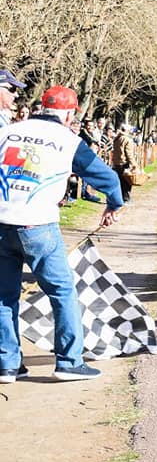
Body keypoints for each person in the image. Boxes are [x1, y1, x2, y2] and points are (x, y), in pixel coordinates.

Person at [0, 86, 123, 383]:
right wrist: (114, 204)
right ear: (70, 114)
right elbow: (107, 177)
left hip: (1, 222)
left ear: (42, 107)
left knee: (4, 297)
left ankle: (7, 364)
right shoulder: (69, 141)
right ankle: (68, 362)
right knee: (62, 292)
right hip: (38, 225)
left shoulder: (8, 131)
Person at [111, 123, 139, 204]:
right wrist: (134, 164)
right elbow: (129, 154)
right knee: (126, 182)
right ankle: (126, 199)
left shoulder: (117, 138)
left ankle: (118, 199)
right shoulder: (127, 140)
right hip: (124, 163)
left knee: (119, 182)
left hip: (117, 163)